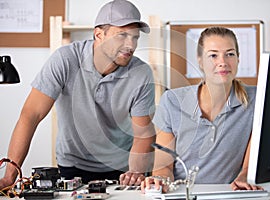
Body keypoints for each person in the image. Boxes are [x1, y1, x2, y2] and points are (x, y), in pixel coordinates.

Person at [0, 0, 156, 191]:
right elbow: (31, 115)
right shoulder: (66, 60)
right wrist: (9, 177)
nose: (130, 45)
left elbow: (143, 134)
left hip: (123, 169)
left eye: (134, 37)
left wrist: (136, 172)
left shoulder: (141, 73)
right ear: (99, 34)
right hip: (73, 166)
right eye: (122, 35)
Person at [141, 26, 263, 193]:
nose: (223, 62)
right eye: (213, 55)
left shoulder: (257, 100)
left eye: (230, 54)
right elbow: (164, 167)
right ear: (199, 60)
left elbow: (249, 165)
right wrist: (160, 181)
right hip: (184, 194)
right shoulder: (172, 102)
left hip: (231, 194)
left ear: (238, 59)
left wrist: (244, 177)